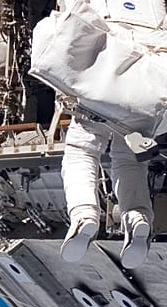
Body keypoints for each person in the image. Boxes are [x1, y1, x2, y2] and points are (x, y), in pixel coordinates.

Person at [59, 115, 153, 269]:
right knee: (130, 159)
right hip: (149, 103)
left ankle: (84, 215)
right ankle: (136, 217)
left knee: (81, 151)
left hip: (103, 98)